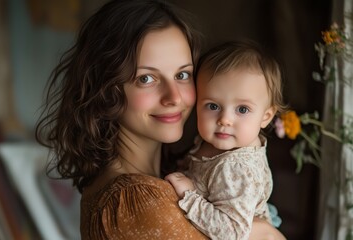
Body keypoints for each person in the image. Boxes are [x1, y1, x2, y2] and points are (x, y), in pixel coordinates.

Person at [35, 0, 286, 239]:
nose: (174, 97)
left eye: (183, 74)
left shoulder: (172, 174)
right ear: (107, 90)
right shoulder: (135, 202)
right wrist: (264, 233)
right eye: (146, 78)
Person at [165, 40, 287, 240]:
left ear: (266, 116)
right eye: (213, 106)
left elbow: (231, 233)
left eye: (242, 109)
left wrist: (189, 195)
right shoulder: (216, 143)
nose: (225, 120)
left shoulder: (236, 167)